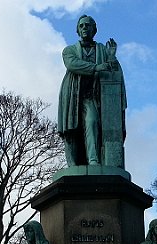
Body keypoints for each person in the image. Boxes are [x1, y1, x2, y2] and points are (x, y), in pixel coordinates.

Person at [57, 14, 126, 166]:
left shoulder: (102, 50)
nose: (84, 28)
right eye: (81, 26)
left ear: (94, 29)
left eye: (88, 25)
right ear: (77, 30)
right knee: (71, 131)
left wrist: (112, 58)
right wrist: (96, 67)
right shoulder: (69, 50)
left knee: (92, 122)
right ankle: (73, 164)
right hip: (73, 95)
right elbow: (73, 64)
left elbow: (113, 71)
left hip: (92, 97)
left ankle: (93, 160)